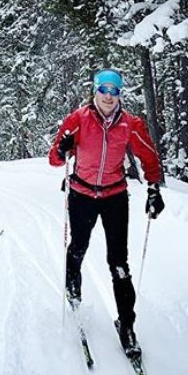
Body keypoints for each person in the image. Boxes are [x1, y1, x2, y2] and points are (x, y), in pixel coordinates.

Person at [49, 68, 164, 356]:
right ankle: (73, 290)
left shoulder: (130, 124)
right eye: (104, 90)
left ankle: (127, 324)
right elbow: (54, 159)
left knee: (119, 263)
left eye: (115, 91)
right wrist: (63, 150)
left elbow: (149, 156)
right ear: (95, 91)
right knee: (78, 246)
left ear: (120, 94)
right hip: (82, 195)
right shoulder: (78, 119)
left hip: (114, 197)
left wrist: (154, 189)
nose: (109, 96)